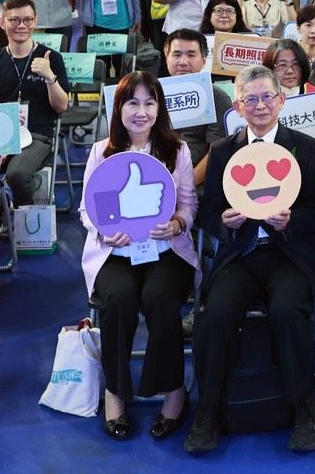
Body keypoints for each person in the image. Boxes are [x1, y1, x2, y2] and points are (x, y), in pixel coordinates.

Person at [188, 65, 315, 455]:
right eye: (251, 99)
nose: (260, 105)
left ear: (282, 101)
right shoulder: (222, 151)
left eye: (268, 97)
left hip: (288, 254)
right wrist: (224, 221)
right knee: (214, 314)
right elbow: (208, 210)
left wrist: (292, 220)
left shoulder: (305, 146)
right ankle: (208, 410)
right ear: (237, 106)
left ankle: (305, 407)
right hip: (240, 254)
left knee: (288, 311)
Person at [81, 71, 198, 441]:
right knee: (118, 299)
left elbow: (189, 203)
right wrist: (103, 230)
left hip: (165, 251)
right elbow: (87, 209)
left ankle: (174, 390)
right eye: (133, 102)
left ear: (160, 109)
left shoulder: (177, 150)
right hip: (116, 251)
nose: (141, 112)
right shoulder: (101, 152)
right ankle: (116, 391)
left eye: (150, 103)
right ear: (119, 108)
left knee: (159, 297)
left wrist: (177, 224)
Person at [0, 0, 70, 205]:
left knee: (17, 175)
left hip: (37, 136)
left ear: (35, 21)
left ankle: (21, 214)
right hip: (0, 135)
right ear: (2, 23)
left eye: (27, 20)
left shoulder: (51, 58)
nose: (21, 25)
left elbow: (61, 106)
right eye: (14, 20)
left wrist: (49, 77)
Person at [162, 30, 231, 181]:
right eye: (176, 55)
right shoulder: (153, 95)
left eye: (191, 55)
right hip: (157, 175)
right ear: (166, 59)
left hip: (198, 181)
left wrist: (186, 184)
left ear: (204, 61)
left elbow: (217, 150)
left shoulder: (216, 97)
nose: (183, 62)